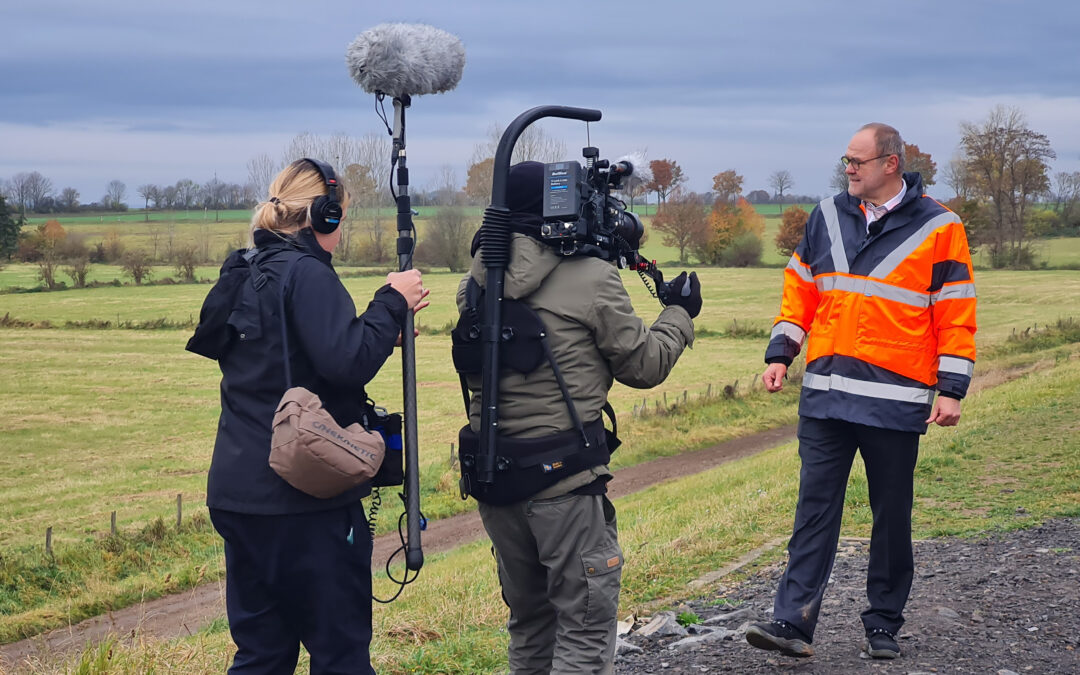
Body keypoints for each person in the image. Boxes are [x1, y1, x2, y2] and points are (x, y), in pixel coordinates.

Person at [453, 161, 700, 674]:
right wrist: (678, 313)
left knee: (530, 625)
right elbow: (644, 366)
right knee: (585, 631)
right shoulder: (590, 280)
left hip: (497, 481)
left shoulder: (473, 286)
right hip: (563, 483)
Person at [186, 158, 428, 674]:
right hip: (304, 503)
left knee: (262, 654)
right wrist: (393, 301)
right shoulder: (307, 275)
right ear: (326, 216)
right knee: (339, 653)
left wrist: (381, 329)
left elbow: (296, 355)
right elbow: (347, 363)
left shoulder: (245, 272)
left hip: (240, 498)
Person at [745, 123, 977, 660]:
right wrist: (782, 352)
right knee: (814, 510)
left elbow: (956, 313)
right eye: (846, 160)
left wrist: (952, 389)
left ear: (890, 164)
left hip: (893, 400)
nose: (847, 169)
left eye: (857, 161)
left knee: (890, 515)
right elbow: (800, 288)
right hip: (825, 396)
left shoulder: (942, 227)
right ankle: (792, 624)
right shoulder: (826, 216)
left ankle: (883, 623)